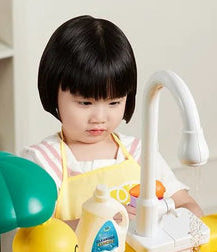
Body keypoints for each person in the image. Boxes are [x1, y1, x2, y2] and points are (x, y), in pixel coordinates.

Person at [18, 15, 203, 228]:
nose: (100, 118)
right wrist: (100, 222)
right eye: (85, 103)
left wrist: (162, 216)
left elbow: (190, 207)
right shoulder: (43, 162)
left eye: (114, 103)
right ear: (53, 94)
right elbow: (37, 235)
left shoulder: (139, 154)